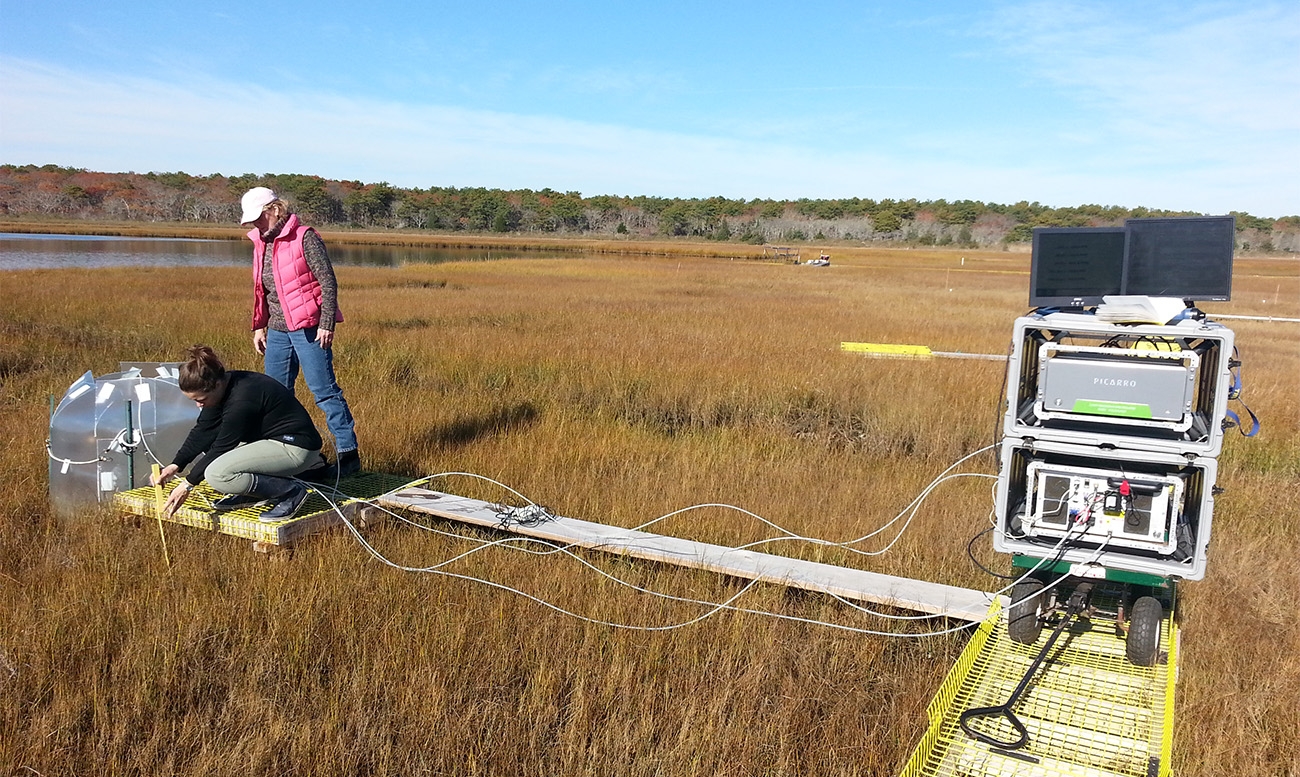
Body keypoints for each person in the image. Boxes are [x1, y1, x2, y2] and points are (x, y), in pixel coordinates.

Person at [240, 186, 360, 477]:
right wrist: (259, 325)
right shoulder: (260, 242)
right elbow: (262, 289)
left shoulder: (304, 236)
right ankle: (288, 455)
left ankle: (348, 457)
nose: (255, 224)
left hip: (309, 329)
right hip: (278, 331)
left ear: (274, 209)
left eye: (258, 217)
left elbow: (328, 282)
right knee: (274, 395)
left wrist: (326, 323)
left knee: (325, 392)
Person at [152, 345, 324, 523]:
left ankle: (291, 492)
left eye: (200, 400)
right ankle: (255, 493)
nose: (198, 405)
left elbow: (222, 446)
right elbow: (203, 431)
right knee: (215, 461)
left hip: (297, 448)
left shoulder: (242, 399)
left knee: (217, 474)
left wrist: (187, 485)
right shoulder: (221, 387)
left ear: (216, 385)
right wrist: (176, 465)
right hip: (270, 442)